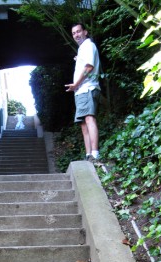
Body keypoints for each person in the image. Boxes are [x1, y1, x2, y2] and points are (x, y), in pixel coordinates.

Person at [65, 23, 101, 162]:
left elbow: (89, 67)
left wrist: (76, 84)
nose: (76, 35)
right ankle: (88, 155)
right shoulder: (82, 49)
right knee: (83, 123)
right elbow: (85, 63)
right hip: (81, 91)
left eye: (79, 31)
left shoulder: (88, 45)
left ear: (85, 32)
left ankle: (95, 153)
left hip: (87, 88)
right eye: (74, 33)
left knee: (89, 119)